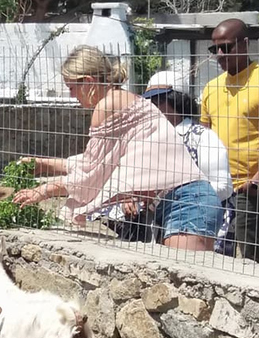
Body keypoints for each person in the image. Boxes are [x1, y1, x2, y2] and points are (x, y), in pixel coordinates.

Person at [13, 45, 222, 252]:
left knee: (181, 275)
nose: (72, 95)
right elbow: (96, 163)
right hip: (188, 200)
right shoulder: (124, 99)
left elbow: (90, 174)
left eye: (71, 87)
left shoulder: (106, 107)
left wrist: (42, 191)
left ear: (88, 82)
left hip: (186, 203)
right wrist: (44, 165)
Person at [200, 18, 259, 264]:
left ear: (245, 44)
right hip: (215, 186)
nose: (220, 55)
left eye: (226, 47)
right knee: (214, 255)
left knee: (253, 258)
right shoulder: (211, 88)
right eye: (214, 49)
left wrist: (257, 180)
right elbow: (203, 136)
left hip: (250, 190)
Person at [143, 70, 235, 254]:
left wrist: (176, 196)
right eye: (149, 101)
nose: (153, 107)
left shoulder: (202, 137)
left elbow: (223, 186)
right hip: (162, 225)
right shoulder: (149, 139)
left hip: (199, 226)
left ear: (176, 100)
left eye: (159, 100)